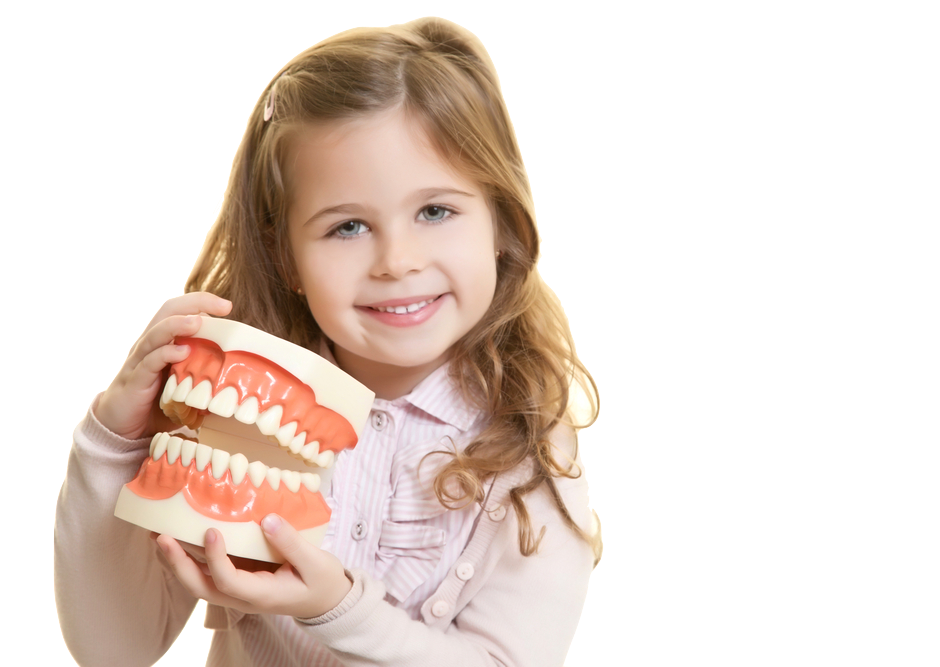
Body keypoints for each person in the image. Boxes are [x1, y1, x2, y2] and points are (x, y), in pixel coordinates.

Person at [54, 16, 601, 667]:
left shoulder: (532, 451)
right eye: (347, 227)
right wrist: (111, 441)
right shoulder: (232, 423)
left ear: (503, 227)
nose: (397, 260)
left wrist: (337, 608)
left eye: (435, 211)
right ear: (286, 256)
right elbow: (111, 652)